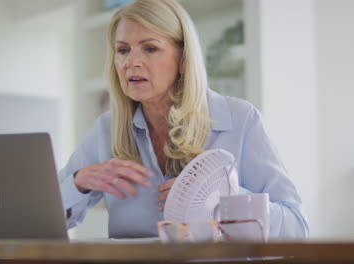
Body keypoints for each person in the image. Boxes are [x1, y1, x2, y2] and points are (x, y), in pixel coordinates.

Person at [58, 0, 309, 238]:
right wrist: (78, 182)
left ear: (183, 58)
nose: (131, 62)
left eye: (150, 48)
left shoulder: (240, 119)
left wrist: (222, 199)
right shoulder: (106, 129)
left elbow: (296, 227)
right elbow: (38, 223)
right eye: (123, 50)